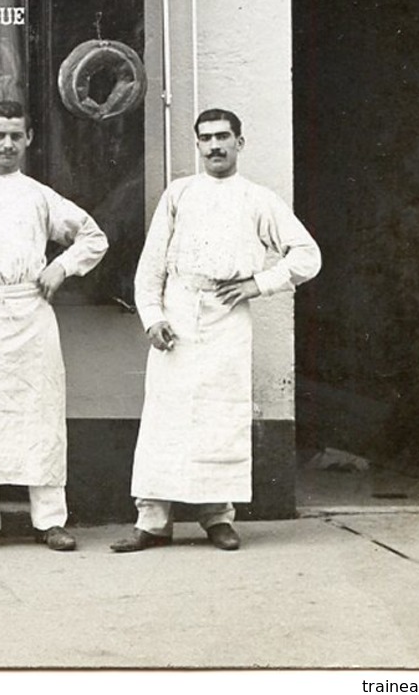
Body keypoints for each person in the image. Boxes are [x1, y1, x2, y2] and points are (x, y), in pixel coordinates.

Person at [111, 109, 321, 552]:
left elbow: (307, 255)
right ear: (198, 145)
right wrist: (153, 317)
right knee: (164, 419)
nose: (214, 146)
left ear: (240, 143)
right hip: (179, 314)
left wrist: (258, 284)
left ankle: (218, 518)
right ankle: (152, 521)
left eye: (223, 137)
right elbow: (151, 266)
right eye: (206, 139)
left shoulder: (258, 199)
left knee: (220, 418)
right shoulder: (179, 194)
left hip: (228, 320)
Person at [0, 100, 107, 554]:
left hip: (30, 314)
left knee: (40, 412)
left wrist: (63, 267)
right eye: (0, 135)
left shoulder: (39, 196)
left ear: (28, 139)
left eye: (16, 135)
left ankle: (49, 520)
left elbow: (94, 237)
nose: (8, 143)